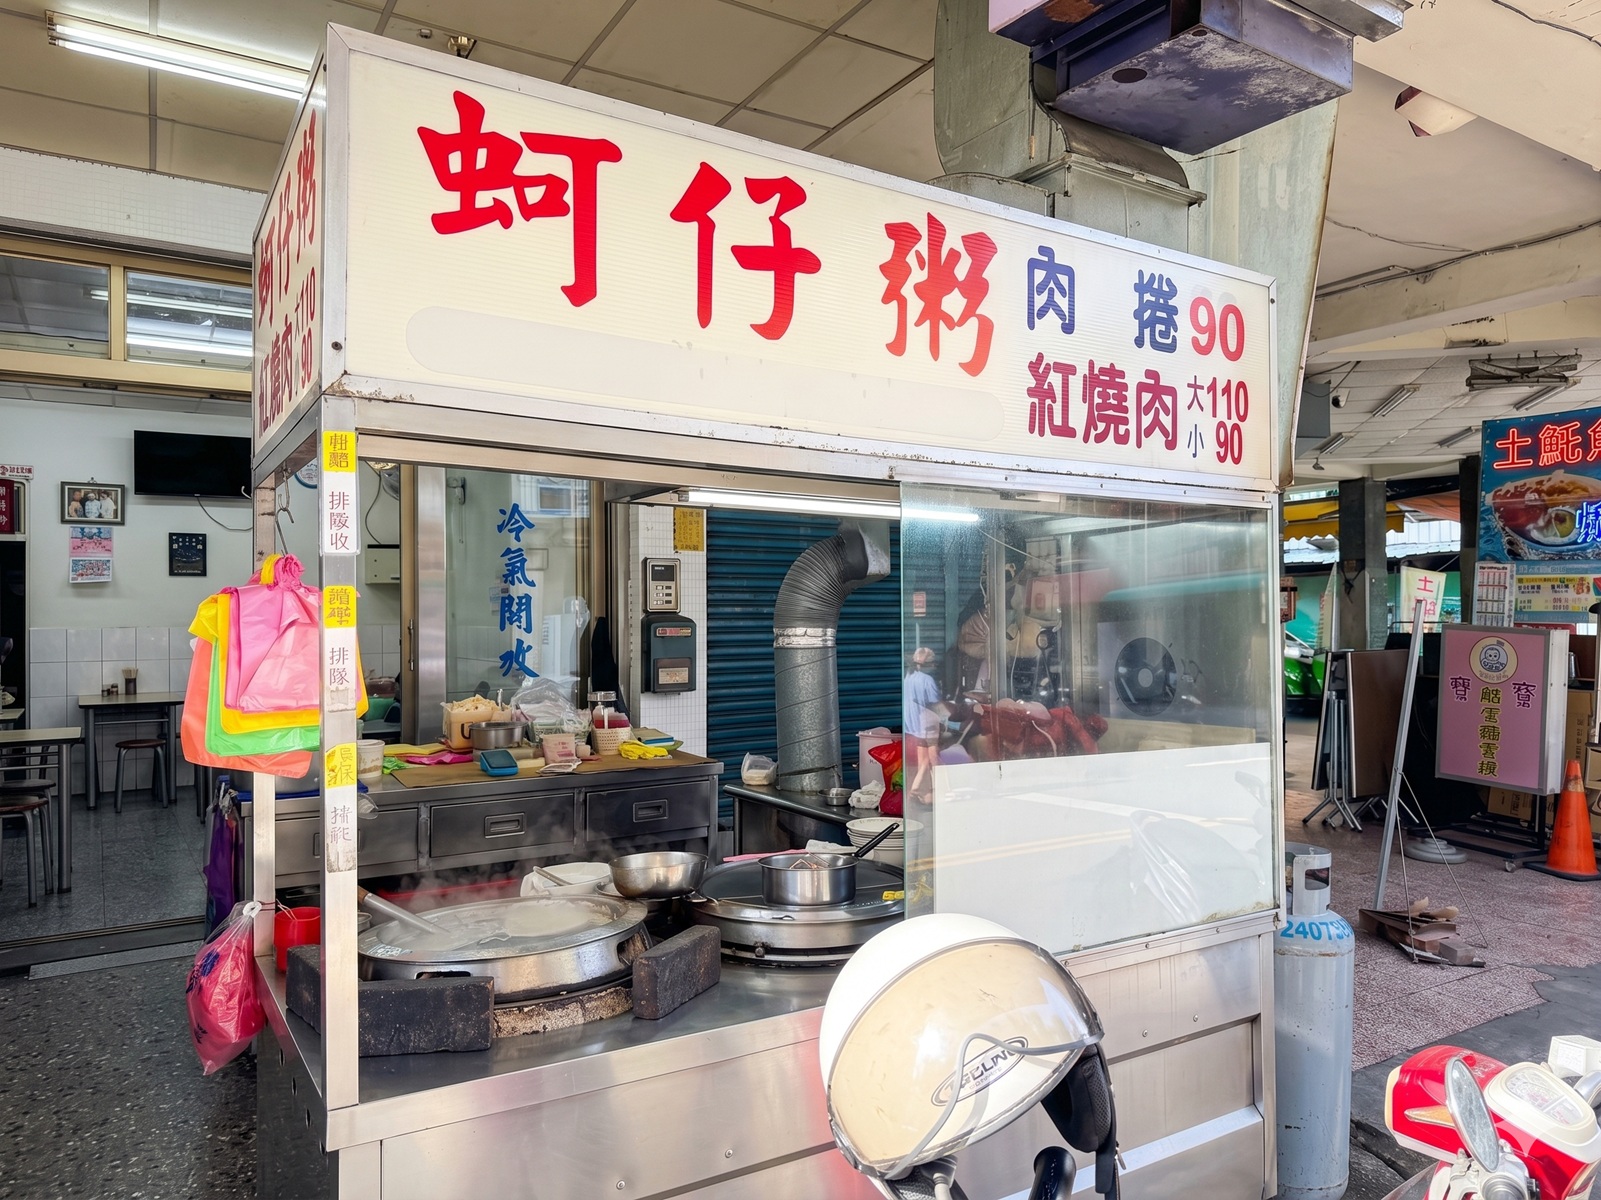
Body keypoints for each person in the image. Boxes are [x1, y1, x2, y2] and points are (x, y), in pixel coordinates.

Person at [903, 647, 946, 800]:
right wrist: (949, 719)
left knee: (923, 759)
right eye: (933, 663)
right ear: (927, 664)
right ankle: (941, 789)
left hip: (914, 725)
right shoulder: (927, 680)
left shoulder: (908, 677)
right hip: (928, 723)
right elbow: (936, 704)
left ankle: (916, 791)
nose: (934, 666)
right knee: (933, 757)